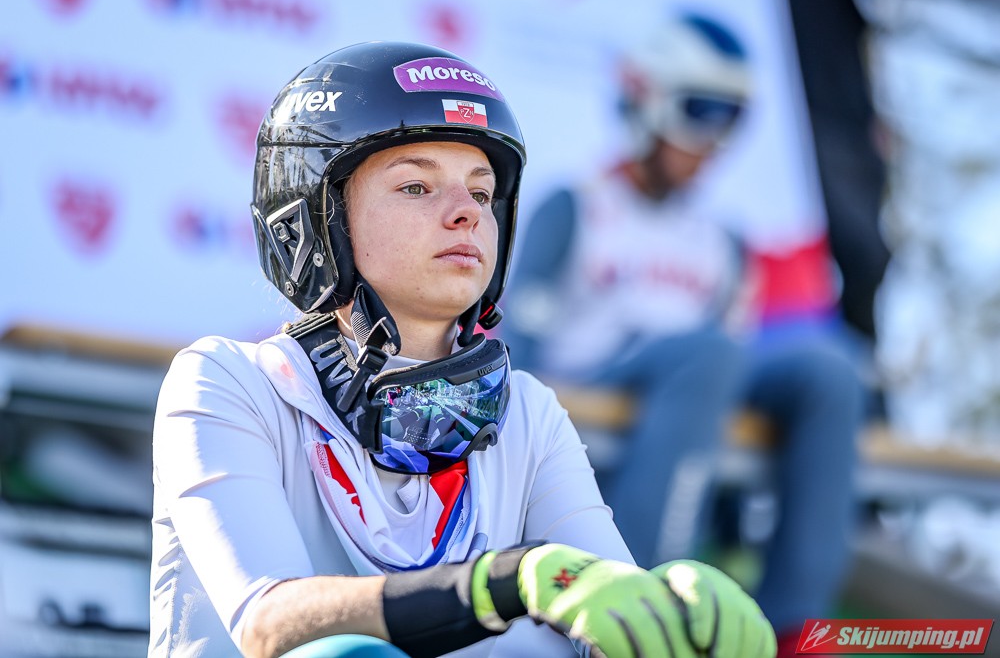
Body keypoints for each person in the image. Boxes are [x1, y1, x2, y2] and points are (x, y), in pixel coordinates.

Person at [147, 41, 776, 658]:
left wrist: (675, 624)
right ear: (314, 218)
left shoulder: (529, 413)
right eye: (416, 187)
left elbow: (611, 620)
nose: (466, 214)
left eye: (480, 192)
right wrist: (500, 582)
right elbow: (268, 624)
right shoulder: (226, 382)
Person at [502, 13, 864, 654]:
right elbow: (518, 354)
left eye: (733, 118)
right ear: (646, 99)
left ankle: (796, 629)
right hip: (592, 387)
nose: (713, 141)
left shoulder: (723, 241)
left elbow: (730, 351)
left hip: (695, 391)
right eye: (701, 111)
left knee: (831, 370)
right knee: (709, 354)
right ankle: (639, 608)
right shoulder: (576, 207)